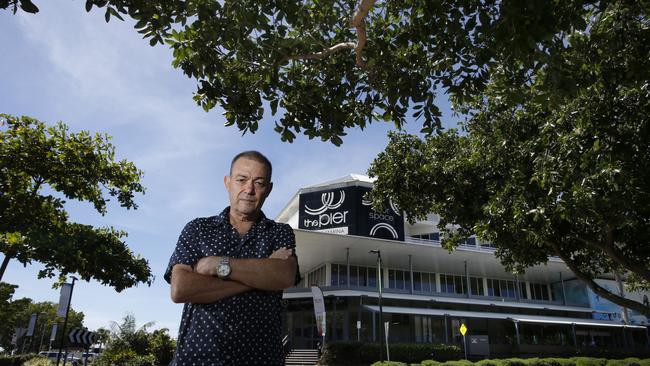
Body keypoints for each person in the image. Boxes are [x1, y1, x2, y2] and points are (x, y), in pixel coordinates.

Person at [164, 151, 299, 365]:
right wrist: (260, 278)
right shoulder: (198, 228)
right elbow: (181, 289)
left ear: (269, 189)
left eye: (259, 182)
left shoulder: (279, 232)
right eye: (241, 180)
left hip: (261, 359)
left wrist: (217, 264)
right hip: (197, 360)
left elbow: (284, 276)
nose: (249, 189)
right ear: (228, 183)